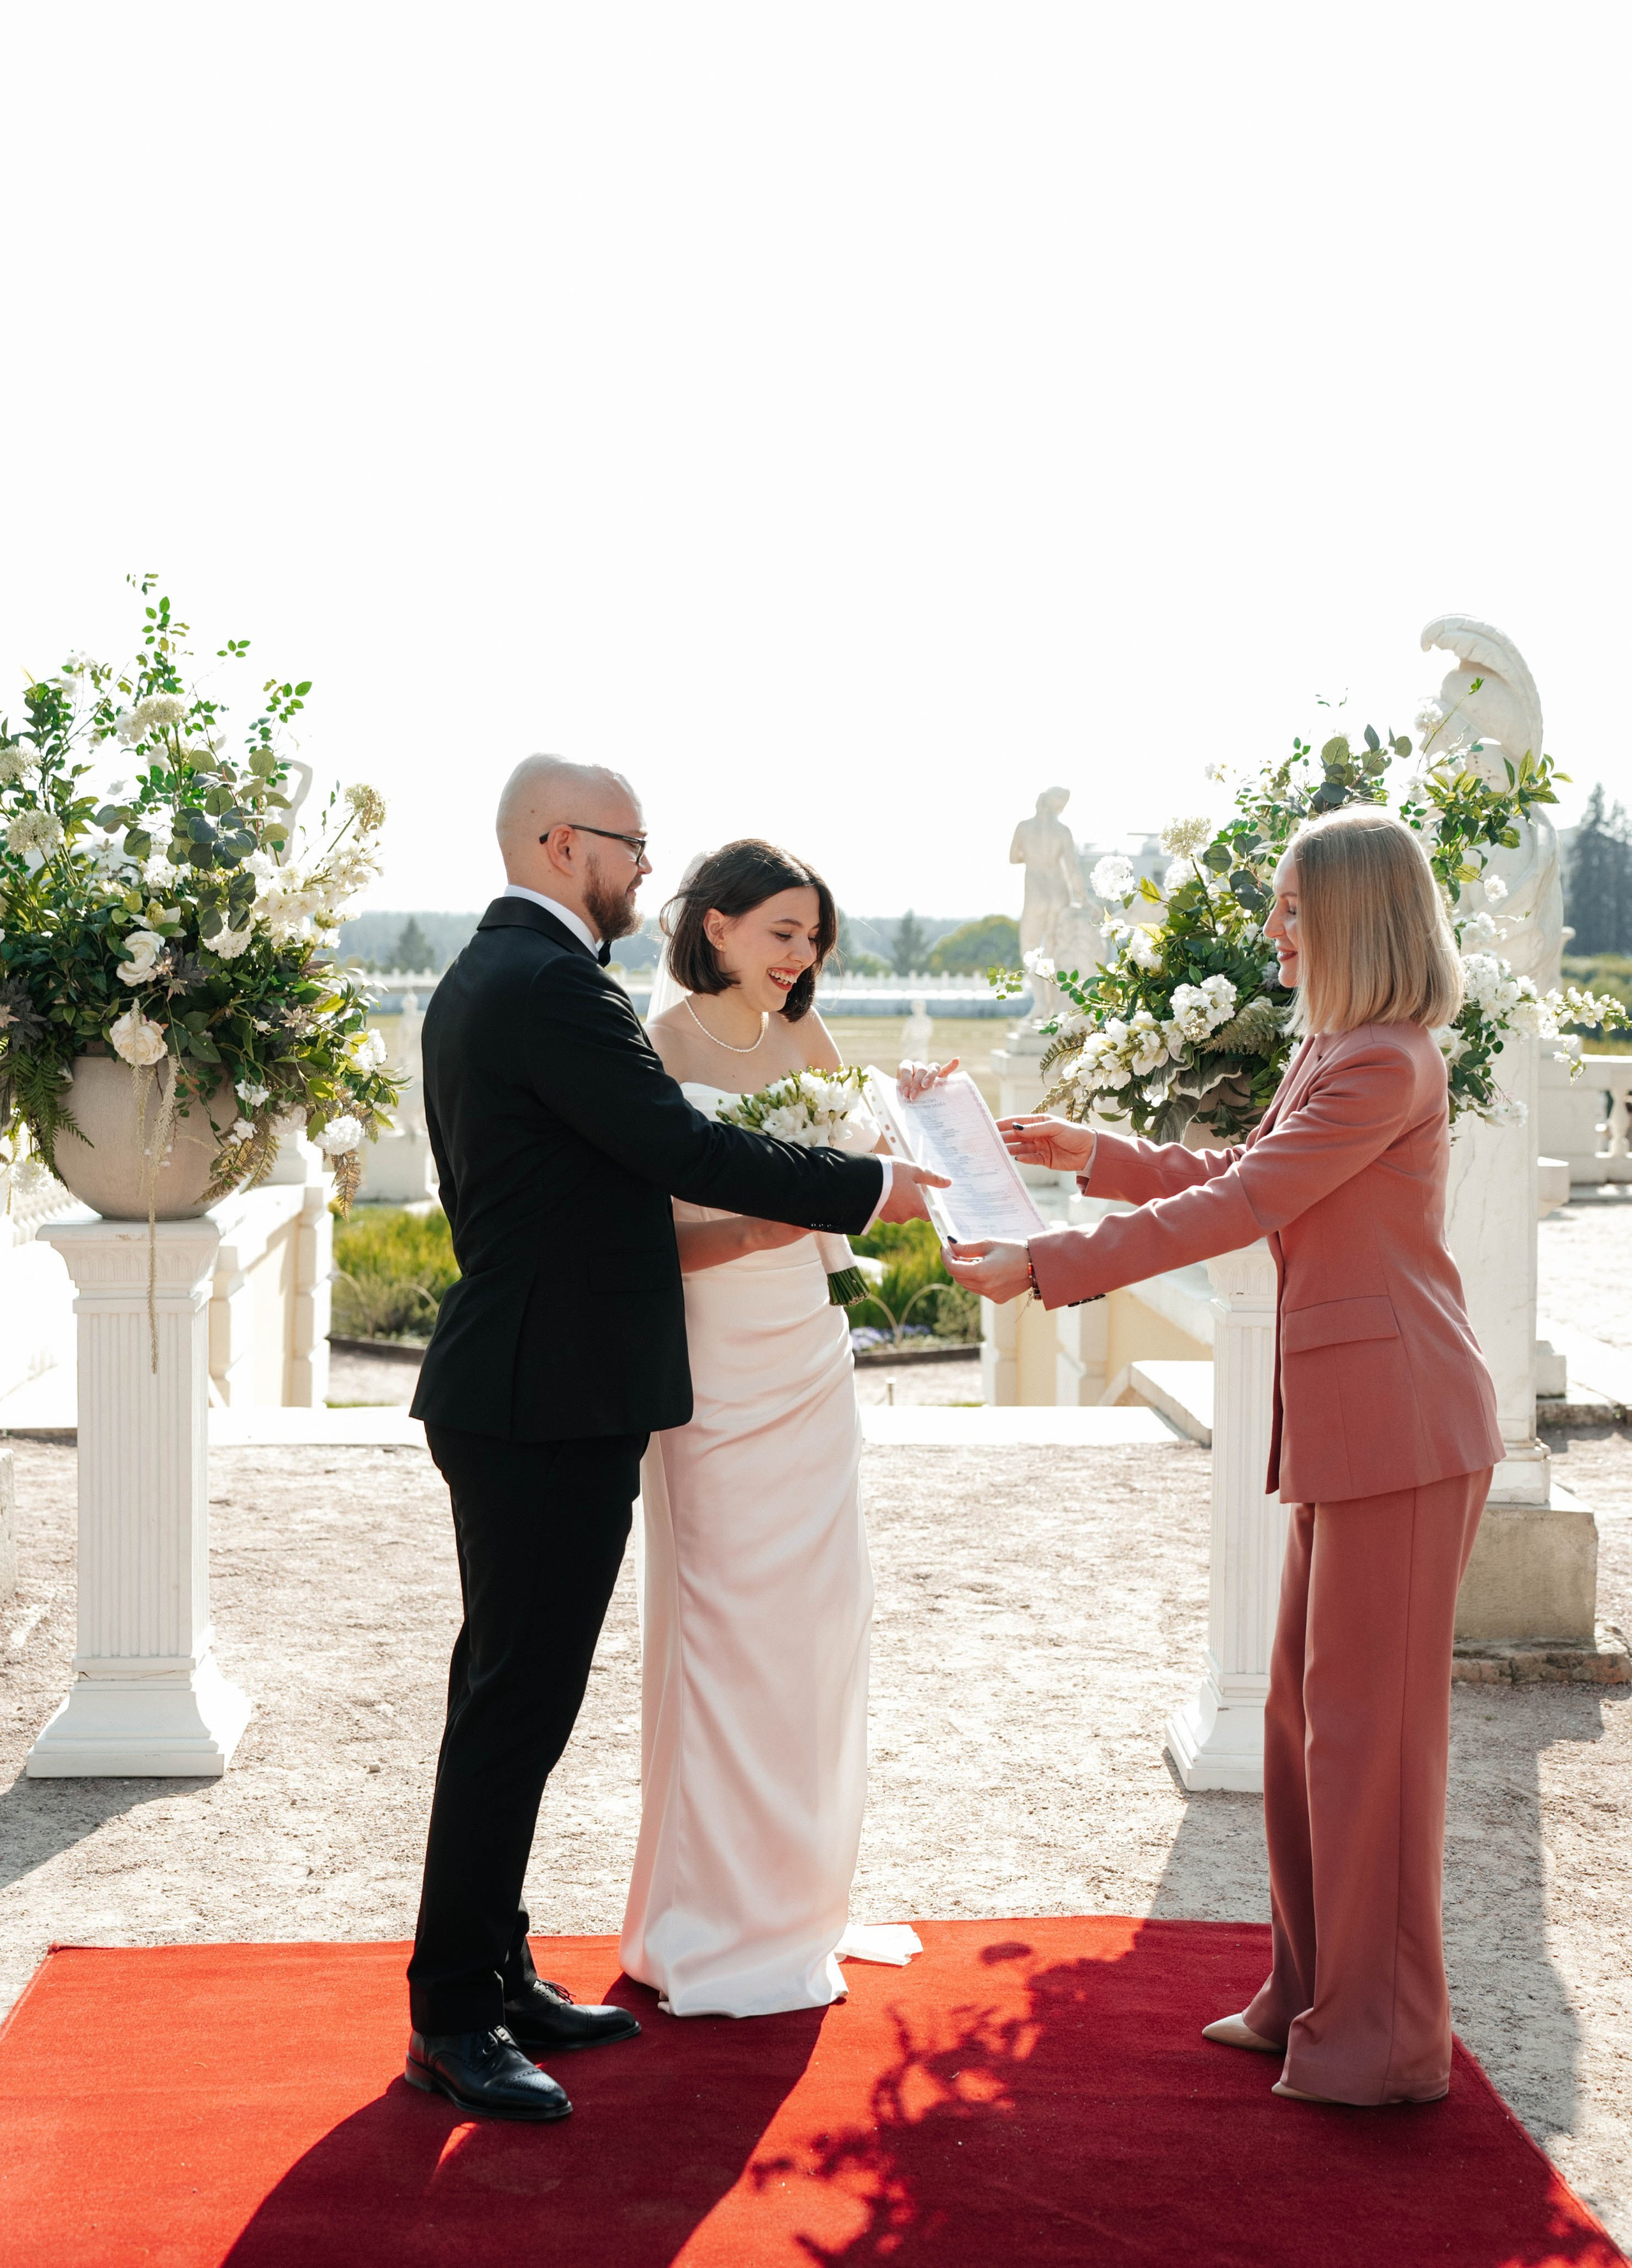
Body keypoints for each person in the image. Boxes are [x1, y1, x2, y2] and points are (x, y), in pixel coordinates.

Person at [924, 803, 1503, 2107]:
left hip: (1404, 1430)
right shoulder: (1345, 1051)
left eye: (1289, 909)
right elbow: (1243, 1167)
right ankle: (1309, 1996)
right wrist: (1098, 1158)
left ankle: (1385, 2044)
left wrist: (1051, 1266)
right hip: (1359, 1424)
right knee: (1307, 1724)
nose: (1269, 932)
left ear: (1350, 916)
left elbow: (1245, 1204)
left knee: (1371, 1740)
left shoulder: (1382, 1063)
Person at [404, 757, 945, 2123]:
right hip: (542, 1394)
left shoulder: (499, 973)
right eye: (626, 845)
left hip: (540, 1384)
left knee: (519, 1704)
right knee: (511, 1708)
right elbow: (673, 1150)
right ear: (551, 838)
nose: (646, 867)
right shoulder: (546, 984)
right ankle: (454, 2015)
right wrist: (870, 1182)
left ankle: (501, 1969)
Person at [621, 840, 919, 2017]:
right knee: (723, 1622)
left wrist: (917, 1121)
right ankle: (703, 1919)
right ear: (720, 926)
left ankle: (799, 1906)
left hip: (808, 1356)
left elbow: (870, 1176)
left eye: (815, 941)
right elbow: (644, 1234)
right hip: (711, 1359)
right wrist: (751, 1232)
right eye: (784, 934)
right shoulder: (660, 1048)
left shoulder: (812, 1044)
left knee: (813, 1624)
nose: (802, 961)